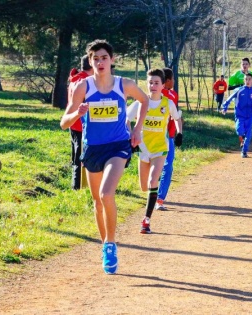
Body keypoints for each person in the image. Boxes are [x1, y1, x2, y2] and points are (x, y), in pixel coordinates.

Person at [60, 39, 149, 275]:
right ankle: (104, 246)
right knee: (97, 203)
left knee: (106, 194)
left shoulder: (124, 85)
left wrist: (138, 129)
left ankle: (111, 244)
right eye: (95, 59)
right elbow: (63, 122)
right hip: (92, 149)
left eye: (104, 58)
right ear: (90, 62)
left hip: (118, 146)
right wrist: (76, 114)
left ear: (112, 60)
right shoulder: (83, 87)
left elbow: (144, 100)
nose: (100, 62)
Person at [127, 69, 182, 234]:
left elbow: (177, 118)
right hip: (143, 148)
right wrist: (131, 134)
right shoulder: (140, 103)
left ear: (163, 85)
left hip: (160, 148)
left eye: (156, 83)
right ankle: (151, 200)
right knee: (144, 186)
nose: (153, 86)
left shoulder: (168, 103)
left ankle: (146, 220)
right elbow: (126, 119)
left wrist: (179, 133)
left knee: (153, 181)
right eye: (150, 82)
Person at [155, 68, 183, 211]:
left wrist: (178, 132)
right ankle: (158, 198)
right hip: (158, 135)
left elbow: (175, 115)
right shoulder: (159, 95)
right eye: (173, 79)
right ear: (167, 81)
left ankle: (159, 198)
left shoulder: (173, 94)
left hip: (169, 135)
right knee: (165, 166)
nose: (174, 81)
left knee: (166, 166)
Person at [68, 55, 94, 190]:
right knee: (80, 158)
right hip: (81, 125)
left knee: (75, 157)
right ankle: (78, 187)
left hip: (73, 124)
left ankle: (77, 185)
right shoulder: (85, 82)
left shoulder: (75, 79)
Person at [221, 73, 252, 158]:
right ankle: (242, 139)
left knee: (249, 135)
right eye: (246, 79)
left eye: (249, 79)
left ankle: (244, 151)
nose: (247, 81)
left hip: (249, 116)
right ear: (244, 80)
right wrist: (225, 107)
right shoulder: (239, 90)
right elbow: (229, 98)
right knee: (239, 131)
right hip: (240, 115)